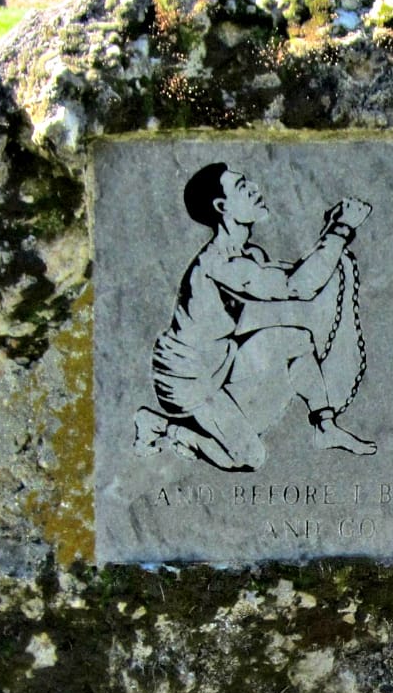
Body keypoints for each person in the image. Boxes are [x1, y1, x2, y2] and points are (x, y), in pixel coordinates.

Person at [133, 162, 375, 471]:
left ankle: (325, 427)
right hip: (188, 380)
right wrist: (341, 230)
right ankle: (163, 427)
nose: (255, 189)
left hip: (221, 358)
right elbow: (299, 286)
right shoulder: (218, 263)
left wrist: (330, 232)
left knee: (296, 339)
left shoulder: (249, 254)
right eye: (243, 188)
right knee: (249, 458)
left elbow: (299, 277)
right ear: (223, 207)